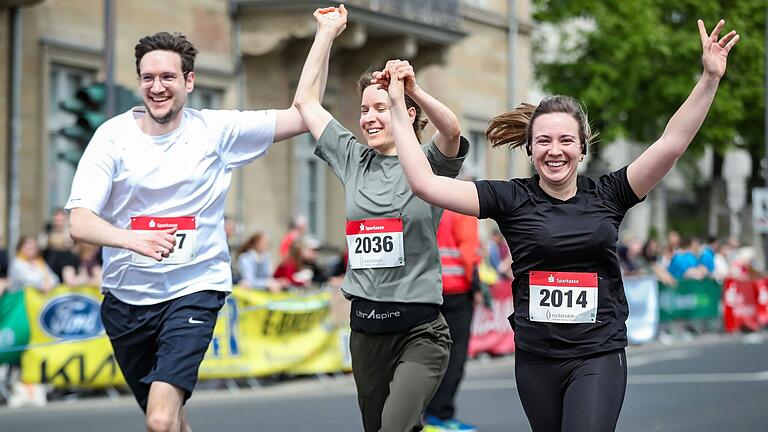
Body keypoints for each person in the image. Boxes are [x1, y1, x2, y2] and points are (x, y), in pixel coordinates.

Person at [384, 19, 737, 432]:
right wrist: (397, 105)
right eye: (545, 142)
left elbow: (670, 144)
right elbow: (425, 184)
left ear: (582, 148)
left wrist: (709, 78)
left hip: (598, 353)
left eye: (566, 141)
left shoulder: (610, 193)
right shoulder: (510, 198)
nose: (556, 151)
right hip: (536, 359)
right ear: (531, 149)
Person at [65, 28, 311, 431]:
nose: (157, 87)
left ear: (189, 81)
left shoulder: (215, 130)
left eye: (168, 77)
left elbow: (303, 115)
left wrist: (323, 36)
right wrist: (131, 239)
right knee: (172, 421)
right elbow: (79, 222)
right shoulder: (111, 137)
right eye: (148, 78)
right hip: (127, 301)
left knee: (160, 419)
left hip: (193, 290)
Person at [293, 6, 469, 431]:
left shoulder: (428, 164)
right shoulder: (353, 159)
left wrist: (411, 89)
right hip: (366, 331)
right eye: (364, 109)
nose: (369, 117)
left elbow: (451, 132)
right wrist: (326, 33)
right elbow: (305, 102)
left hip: (421, 332)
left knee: (395, 426)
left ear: (406, 114)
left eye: (381, 108)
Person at [424, 209, 480, 432]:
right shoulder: (461, 209)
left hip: (426, 291)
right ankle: (439, 416)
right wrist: (476, 286)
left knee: (426, 355)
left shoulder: (422, 204)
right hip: (456, 291)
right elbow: (468, 252)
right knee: (453, 357)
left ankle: (422, 413)